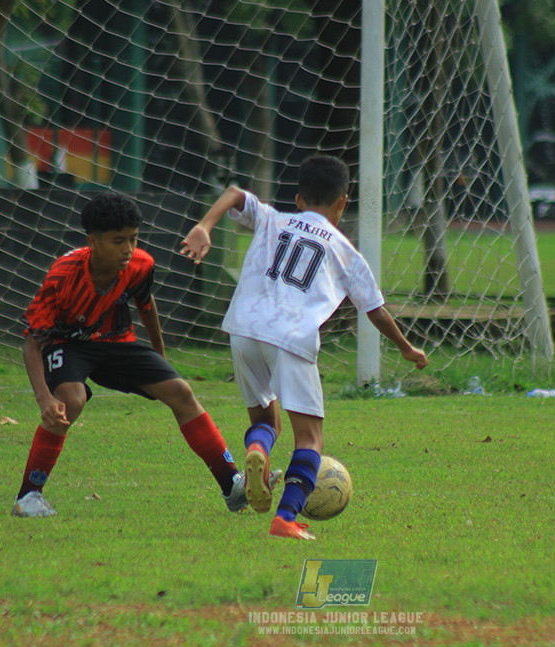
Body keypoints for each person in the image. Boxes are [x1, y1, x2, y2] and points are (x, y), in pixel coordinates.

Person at [181, 156, 429, 540]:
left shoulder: (273, 219)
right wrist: (406, 347)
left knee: (266, 422)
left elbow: (233, 193)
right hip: (291, 338)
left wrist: (204, 226)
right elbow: (376, 311)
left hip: (243, 328)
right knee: (310, 438)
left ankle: (259, 451)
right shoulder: (345, 251)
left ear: (299, 200)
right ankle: (285, 518)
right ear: (343, 202)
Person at [12, 191, 276, 517]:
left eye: (133, 239)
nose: (128, 248)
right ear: (92, 242)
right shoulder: (63, 276)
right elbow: (32, 343)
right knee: (70, 402)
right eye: (118, 241)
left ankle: (231, 484)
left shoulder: (140, 264)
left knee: (180, 391)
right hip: (67, 344)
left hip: (115, 341)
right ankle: (28, 496)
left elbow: (145, 304)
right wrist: (44, 400)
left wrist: (159, 356)